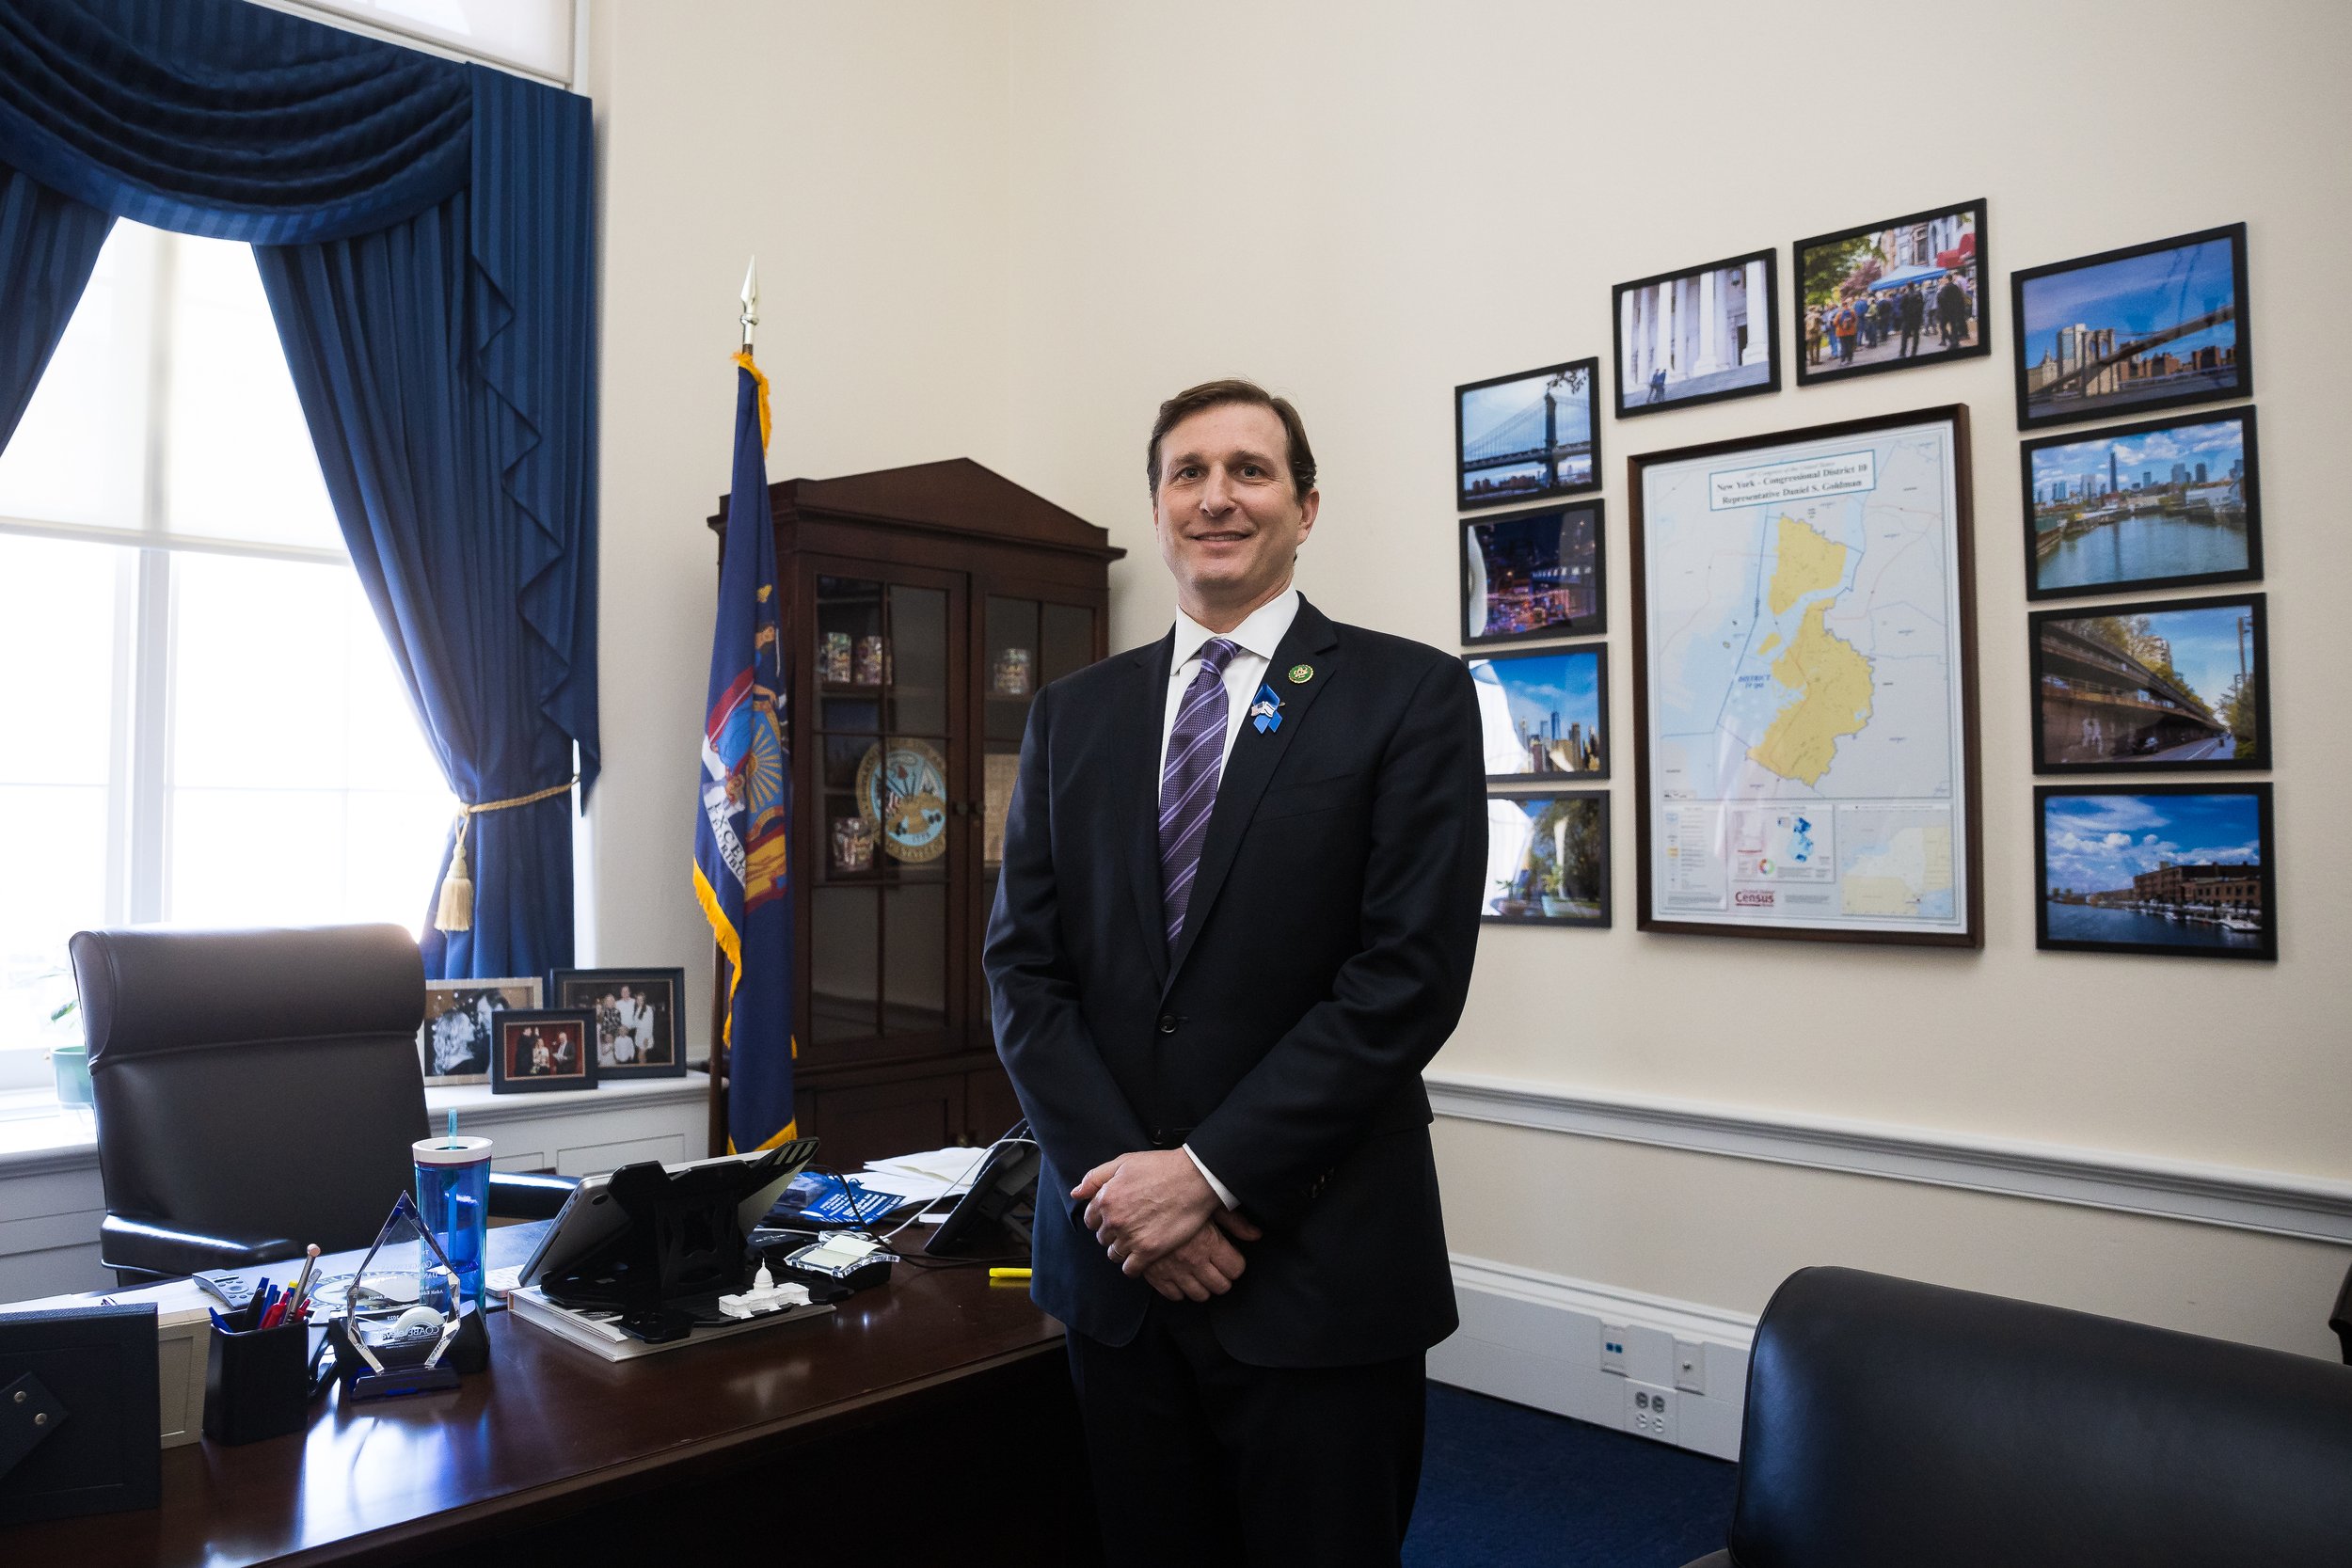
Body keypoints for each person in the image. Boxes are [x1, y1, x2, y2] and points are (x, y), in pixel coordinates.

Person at [986, 379, 1485, 1567]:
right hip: (1117, 1276)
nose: (1216, 496)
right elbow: (1023, 974)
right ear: (1157, 509)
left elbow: (1403, 980)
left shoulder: (1407, 695)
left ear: (1305, 507)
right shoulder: (1072, 715)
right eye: (1187, 472)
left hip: (1316, 1268)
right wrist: (1133, 1201)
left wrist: (1206, 1176)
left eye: (1249, 471)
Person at [1937, 274, 1970, 349]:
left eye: (1943, 278)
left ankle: (1952, 341)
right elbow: (1960, 299)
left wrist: (1939, 291)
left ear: (1946, 279)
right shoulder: (1955, 287)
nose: (1942, 280)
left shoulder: (1946, 288)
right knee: (1953, 327)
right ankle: (1955, 343)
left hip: (1946, 312)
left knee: (1942, 326)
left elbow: (1940, 299)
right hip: (1954, 311)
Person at [1899, 283, 1926, 357]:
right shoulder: (1918, 294)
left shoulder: (1905, 295)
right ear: (1913, 286)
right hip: (1916, 319)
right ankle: (1914, 352)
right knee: (1916, 335)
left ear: (1907, 287)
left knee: (1904, 337)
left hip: (1907, 319)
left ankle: (1902, 353)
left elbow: (1901, 306)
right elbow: (1922, 305)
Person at [1832, 300, 1859, 364]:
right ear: (1847, 305)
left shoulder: (1839, 313)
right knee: (1850, 345)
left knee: (1843, 346)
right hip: (1851, 331)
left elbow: (1835, 323)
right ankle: (1850, 359)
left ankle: (1843, 360)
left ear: (1842, 306)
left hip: (1841, 332)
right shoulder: (1852, 312)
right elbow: (1855, 319)